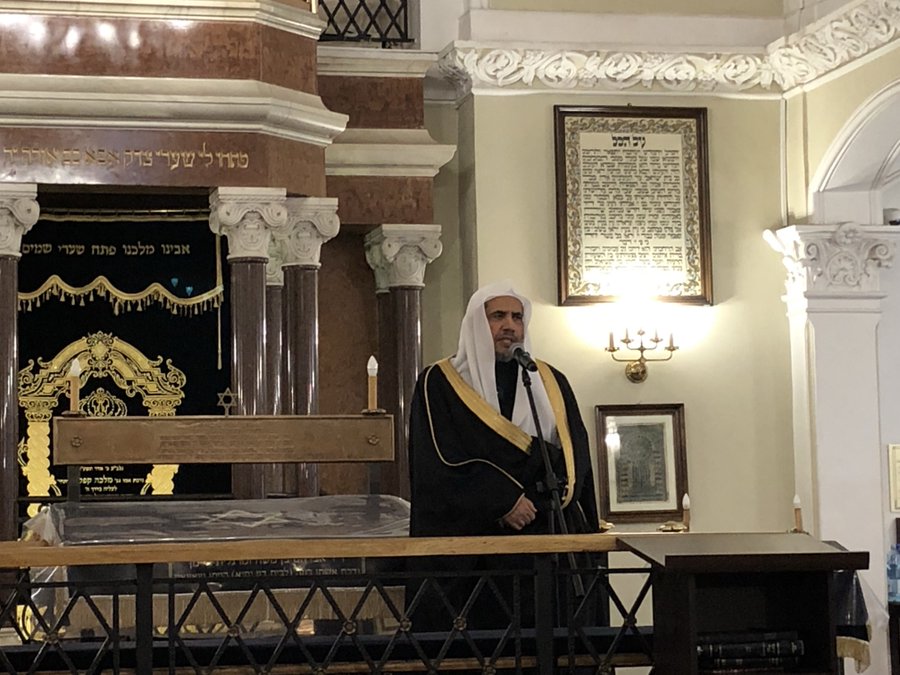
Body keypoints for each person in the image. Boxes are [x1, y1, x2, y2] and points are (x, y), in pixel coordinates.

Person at [406, 280, 601, 632]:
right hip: (474, 558)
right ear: (476, 324)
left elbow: (575, 458)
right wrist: (503, 501)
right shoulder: (440, 382)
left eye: (517, 316)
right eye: (497, 316)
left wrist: (537, 503)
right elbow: (438, 462)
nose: (509, 325)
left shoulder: (549, 381)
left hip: (544, 546)